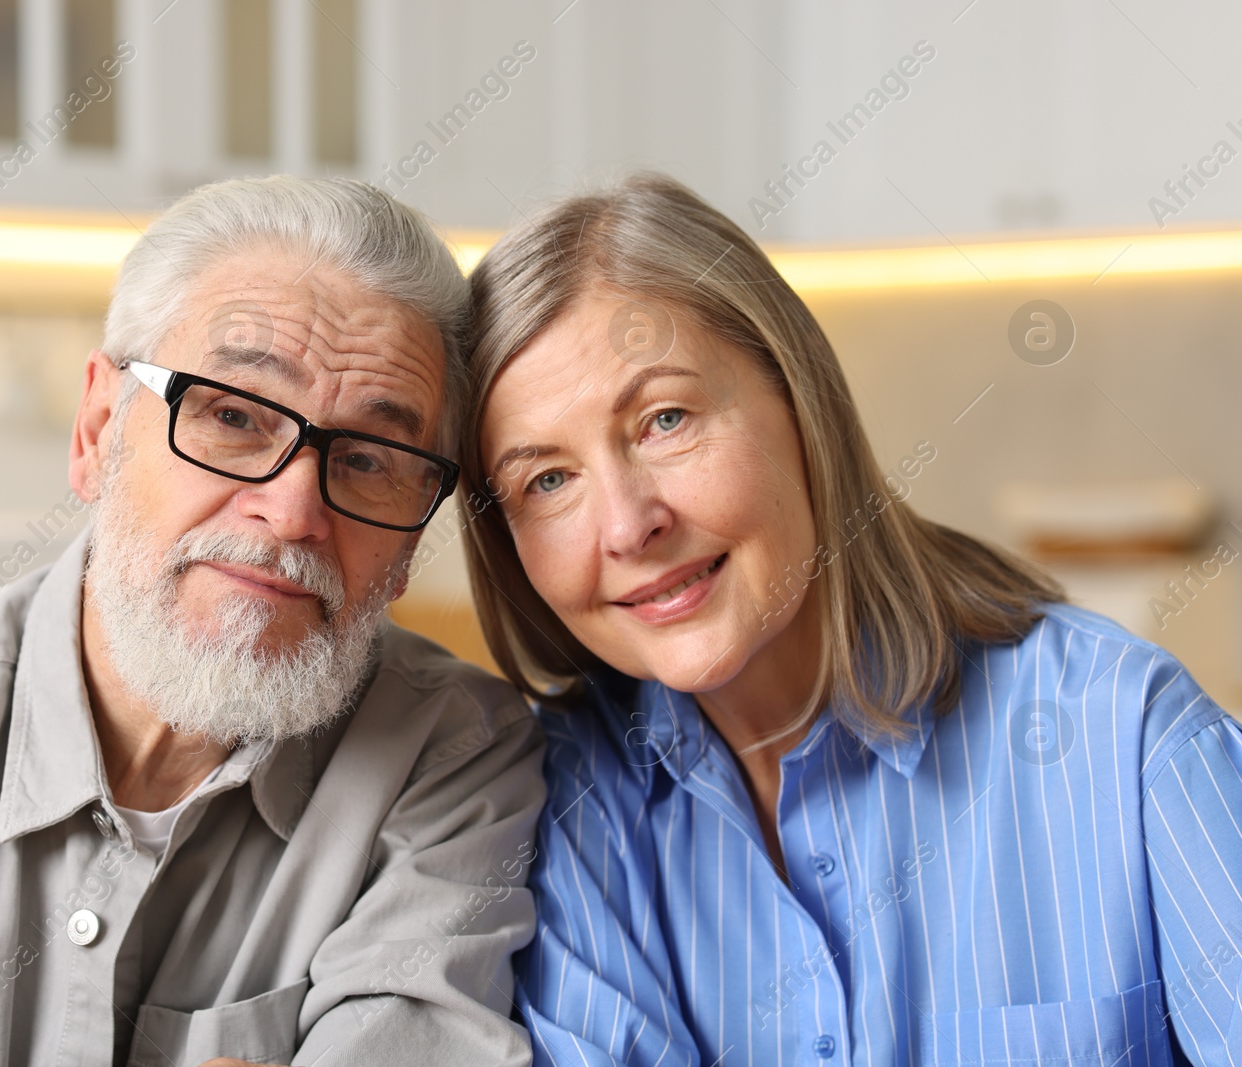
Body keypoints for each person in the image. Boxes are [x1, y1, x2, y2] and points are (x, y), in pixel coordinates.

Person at [0, 176, 545, 1066]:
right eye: (232, 415)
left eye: (371, 458)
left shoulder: (455, 763)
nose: (294, 509)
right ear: (97, 429)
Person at [460, 172, 1242, 1065]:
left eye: (665, 419)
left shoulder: (1132, 739)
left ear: (802, 399)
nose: (629, 524)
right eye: (547, 480)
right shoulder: (560, 809)